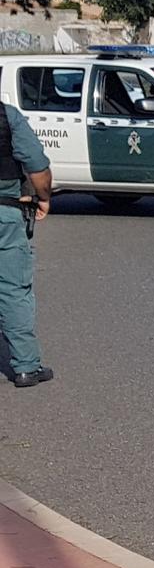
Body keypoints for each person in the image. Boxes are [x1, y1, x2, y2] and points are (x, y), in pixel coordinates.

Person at [0, 101, 54, 388]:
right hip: (4, 214)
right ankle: (25, 366)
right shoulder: (7, 116)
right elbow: (37, 167)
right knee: (13, 289)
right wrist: (43, 197)